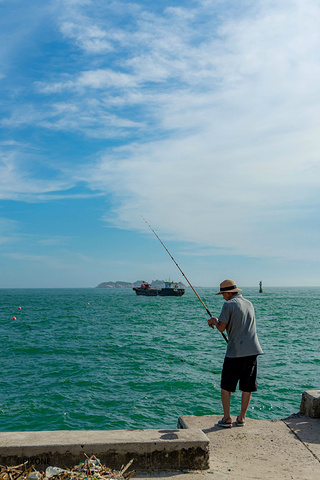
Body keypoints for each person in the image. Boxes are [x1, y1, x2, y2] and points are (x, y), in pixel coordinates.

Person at [208, 279, 263, 427]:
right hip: (252, 350)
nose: (222, 297)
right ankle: (242, 418)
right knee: (247, 385)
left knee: (226, 385)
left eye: (223, 293)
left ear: (228, 293)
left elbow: (221, 328)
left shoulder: (228, 304)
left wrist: (213, 320)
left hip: (235, 352)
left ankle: (226, 418)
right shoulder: (249, 304)